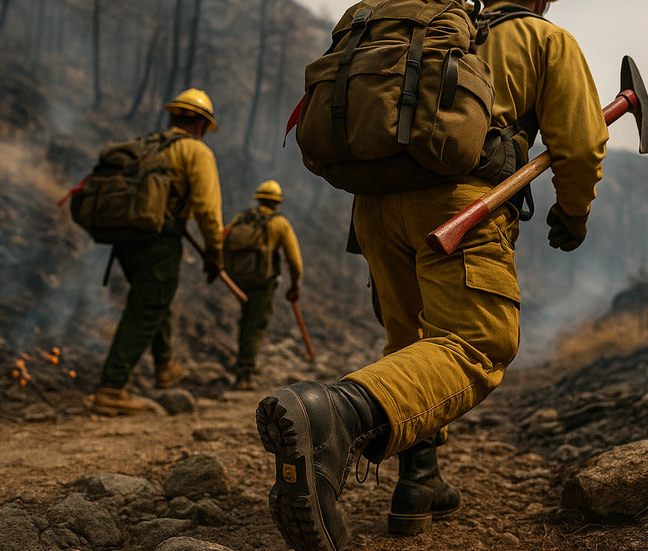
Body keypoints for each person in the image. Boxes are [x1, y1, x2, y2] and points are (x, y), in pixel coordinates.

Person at [255, 0, 608, 548]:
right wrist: (574, 212)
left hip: (375, 208)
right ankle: (336, 416)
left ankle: (419, 481)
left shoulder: (432, 27)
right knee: (477, 342)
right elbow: (580, 144)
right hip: (459, 207)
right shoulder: (544, 39)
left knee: (411, 343)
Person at [89, 88, 225, 416]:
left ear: (174, 116)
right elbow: (207, 209)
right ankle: (111, 388)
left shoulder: (150, 144)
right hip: (160, 242)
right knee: (146, 307)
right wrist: (215, 251)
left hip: (127, 242)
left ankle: (165, 367)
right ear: (202, 124)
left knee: (155, 298)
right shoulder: (196, 151)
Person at [225, 180, 303, 391]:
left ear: (258, 199)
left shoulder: (241, 218)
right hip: (263, 284)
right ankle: (245, 376)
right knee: (255, 326)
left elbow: (224, 238)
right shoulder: (279, 224)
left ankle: (243, 367)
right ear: (277, 202)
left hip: (239, 280)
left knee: (246, 323)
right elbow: (294, 262)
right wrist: (295, 285)